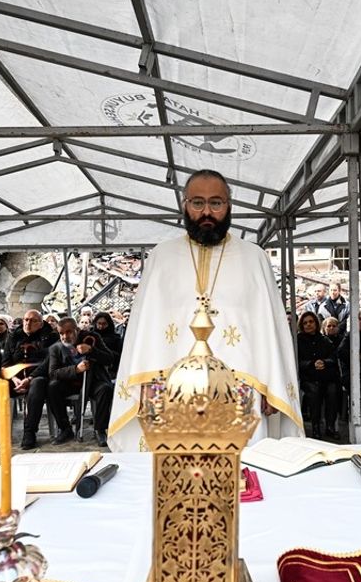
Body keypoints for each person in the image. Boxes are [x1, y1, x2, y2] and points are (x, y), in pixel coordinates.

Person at [108, 169, 302, 451]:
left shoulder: (254, 257)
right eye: (198, 203)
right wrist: (141, 384)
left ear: (229, 207)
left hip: (240, 390)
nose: (207, 211)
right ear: (184, 205)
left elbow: (269, 329)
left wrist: (271, 385)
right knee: (175, 471)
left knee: (239, 475)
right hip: (169, 389)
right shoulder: (161, 257)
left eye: (216, 203)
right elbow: (144, 328)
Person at [0, 309, 58, 450]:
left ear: (41, 323)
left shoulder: (51, 337)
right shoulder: (13, 337)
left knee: (37, 384)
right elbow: (5, 363)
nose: (27, 323)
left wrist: (30, 378)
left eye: (32, 320)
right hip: (16, 379)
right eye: (26, 319)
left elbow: (48, 362)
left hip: (38, 377)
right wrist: (14, 379)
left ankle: (29, 432)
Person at [46, 317, 115, 446]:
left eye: (68, 332)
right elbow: (53, 373)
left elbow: (110, 359)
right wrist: (75, 369)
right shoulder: (55, 348)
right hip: (70, 382)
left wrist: (91, 350)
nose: (65, 336)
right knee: (52, 387)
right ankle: (65, 429)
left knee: (105, 389)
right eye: (61, 333)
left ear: (76, 330)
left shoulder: (92, 338)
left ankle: (100, 429)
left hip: (93, 379)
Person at [296, 311, 340, 439]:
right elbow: (297, 362)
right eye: (305, 323)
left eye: (311, 322)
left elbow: (333, 358)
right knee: (314, 392)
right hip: (308, 377)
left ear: (316, 323)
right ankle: (315, 427)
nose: (308, 325)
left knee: (332, 390)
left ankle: (330, 426)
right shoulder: (298, 341)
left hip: (325, 376)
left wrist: (324, 362)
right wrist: (312, 364)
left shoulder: (324, 340)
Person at [91, 310, 124, 377]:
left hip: (110, 370)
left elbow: (120, 356)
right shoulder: (91, 336)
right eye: (99, 323)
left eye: (104, 324)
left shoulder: (115, 338)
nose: (101, 326)